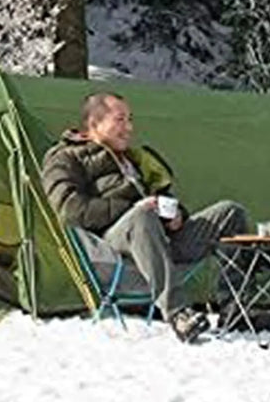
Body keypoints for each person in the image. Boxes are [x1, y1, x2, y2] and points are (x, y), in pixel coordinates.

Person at [41, 92, 247, 343]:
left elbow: (162, 198)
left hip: (159, 241)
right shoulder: (65, 157)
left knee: (230, 212)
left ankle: (236, 309)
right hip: (113, 250)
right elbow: (69, 209)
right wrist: (135, 207)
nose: (129, 128)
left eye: (130, 119)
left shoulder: (134, 159)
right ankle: (178, 313)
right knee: (142, 215)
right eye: (120, 120)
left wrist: (175, 214)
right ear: (94, 124)